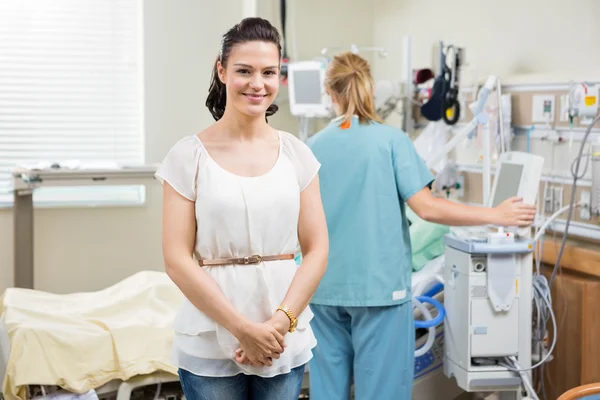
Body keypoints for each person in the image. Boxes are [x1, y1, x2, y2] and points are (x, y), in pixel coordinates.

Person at [306, 52, 536, 400]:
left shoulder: (312, 147)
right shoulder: (390, 140)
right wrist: (496, 214)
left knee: (327, 390)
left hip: (322, 289)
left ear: (329, 90)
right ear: (369, 88)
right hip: (380, 291)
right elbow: (427, 209)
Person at [155, 17, 329, 400]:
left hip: (282, 333)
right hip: (208, 333)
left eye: (268, 72)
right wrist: (242, 329)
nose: (257, 83)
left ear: (279, 76)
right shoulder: (188, 156)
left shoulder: (298, 154)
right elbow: (176, 258)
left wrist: (280, 324)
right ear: (222, 71)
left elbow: (317, 249)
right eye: (244, 71)